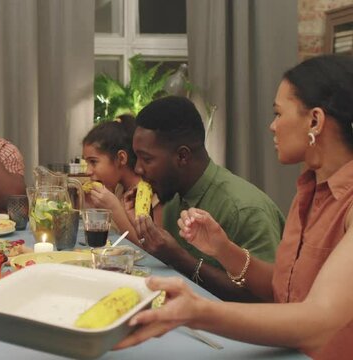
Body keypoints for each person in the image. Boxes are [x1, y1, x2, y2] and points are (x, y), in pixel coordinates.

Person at [116, 55, 353, 359]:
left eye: (278, 114)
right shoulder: (308, 191)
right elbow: (283, 290)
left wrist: (198, 311)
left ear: (315, 121)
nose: (272, 126)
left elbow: (319, 320)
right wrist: (223, 249)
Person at [126, 96, 285, 301]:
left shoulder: (244, 209)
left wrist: (180, 258)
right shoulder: (175, 200)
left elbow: (268, 297)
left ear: (182, 156)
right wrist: (145, 229)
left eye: (147, 159)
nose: (138, 169)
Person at [82, 115, 153, 246]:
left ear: (121, 158)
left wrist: (114, 208)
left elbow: (144, 247)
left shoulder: (149, 195)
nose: (88, 171)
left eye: (93, 162)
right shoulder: (119, 189)